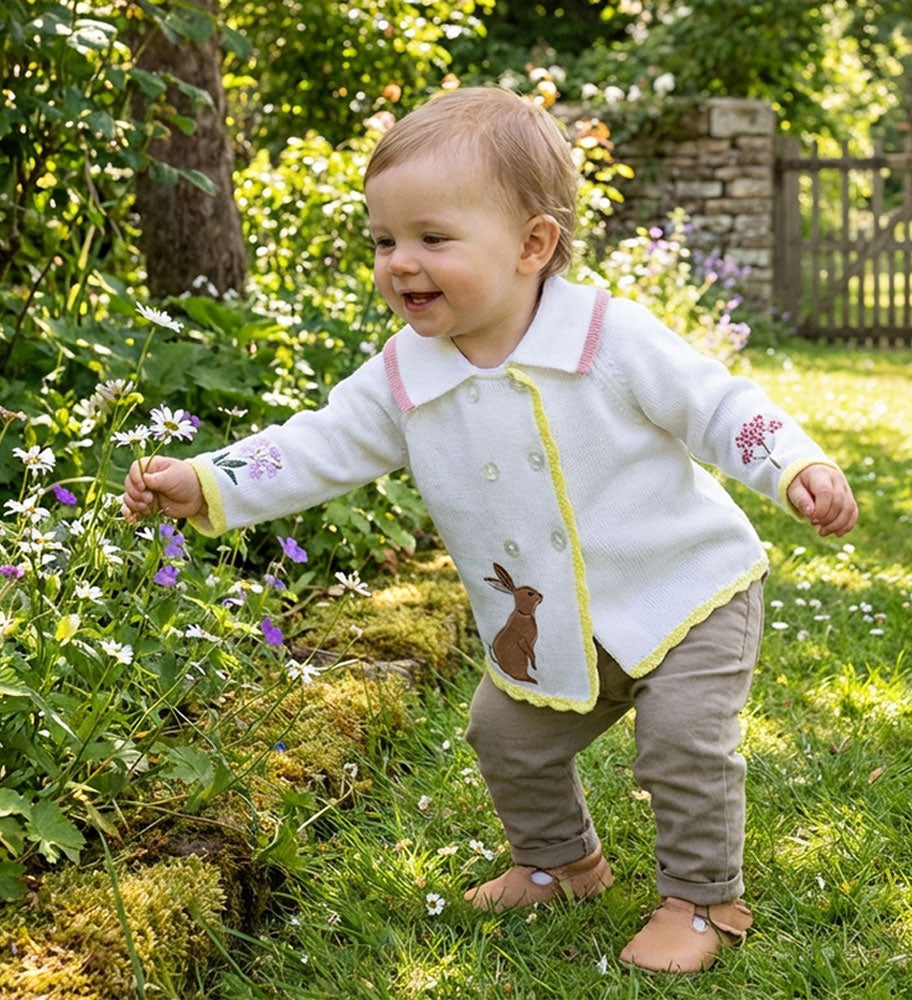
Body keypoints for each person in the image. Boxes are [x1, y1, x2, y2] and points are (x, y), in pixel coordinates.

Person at [123, 86, 857, 974]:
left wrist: (793, 464)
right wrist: (208, 480)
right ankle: (560, 864)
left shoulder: (607, 338)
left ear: (533, 245)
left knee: (683, 747)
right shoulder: (405, 373)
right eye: (384, 241)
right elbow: (318, 441)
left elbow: (716, 404)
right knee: (504, 735)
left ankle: (701, 901)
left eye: (433, 238)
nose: (401, 262)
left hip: (686, 592)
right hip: (550, 625)